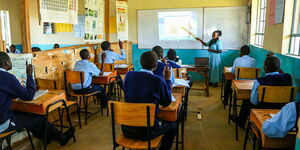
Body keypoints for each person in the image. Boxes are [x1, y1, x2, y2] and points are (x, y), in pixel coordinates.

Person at [0, 52, 73, 145]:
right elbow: (29, 96)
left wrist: (22, 90)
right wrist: (30, 75)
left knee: (29, 115)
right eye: (10, 60)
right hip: (3, 123)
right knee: (37, 118)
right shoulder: (7, 77)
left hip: (4, 114)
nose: (11, 63)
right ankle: (61, 138)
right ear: (6, 63)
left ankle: (47, 137)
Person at [122, 51, 176, 150]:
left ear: (141, 63)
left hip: (127, 128)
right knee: (173, 125)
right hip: (147, 131)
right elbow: (166, 102)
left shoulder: (128, 75)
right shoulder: (158, 81)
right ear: (156, 65)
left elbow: (126, 90)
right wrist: (167, 80)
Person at [231, 56, 292, 128]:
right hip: (281, 108)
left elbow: (254, 102)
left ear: (265, 68)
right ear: (279, 68)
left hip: (263, 107)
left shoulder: (259, 81)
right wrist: (277, 66)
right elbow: (283, 74)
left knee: (247, 100)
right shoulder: (288, 78)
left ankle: (241, 122)